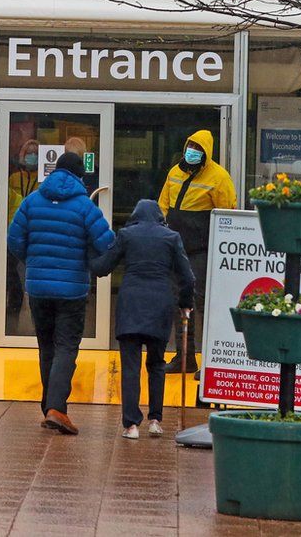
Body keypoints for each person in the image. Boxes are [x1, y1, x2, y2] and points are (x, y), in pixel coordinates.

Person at [7, 152, 115, 435]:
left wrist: (33, 262)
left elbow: (14, 240)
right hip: (72, 291)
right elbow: (107, 244)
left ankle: (49, 408)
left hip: (39, 289)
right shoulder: (84, 206)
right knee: (66, 348)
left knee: (47, 347)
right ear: (80, 176)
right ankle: (56, 408)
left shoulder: (32, 201)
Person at [90, 200, 195, 439]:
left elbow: (103, 267)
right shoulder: (171, 237)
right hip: (160, 305)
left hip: (131, 304)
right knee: (157, 364)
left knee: (130, 367)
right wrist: (185, 304)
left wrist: (86, 255)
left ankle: (131, 425)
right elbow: (187, 278)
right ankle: (155, 420)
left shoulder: (126, 235)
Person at [158, 130, 236, 375]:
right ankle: (184, 357)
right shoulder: (174, 172)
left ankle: (210, 361)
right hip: (177, 248)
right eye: (190, 146)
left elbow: (228, 213)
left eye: (197, 148)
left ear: (206, 152)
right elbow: (163, 205)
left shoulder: (219, 177)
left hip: (202, 250)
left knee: (202, 304)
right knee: (179, 304)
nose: (192, 152)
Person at [6, 139, 40, 335]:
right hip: (12, 232)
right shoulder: (14, 178)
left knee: (32, 278)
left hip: (34, 234)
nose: (32, 155)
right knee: (13, 280)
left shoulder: (44, 180)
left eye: (35, 152)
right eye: (29, 152)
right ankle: (11, 324)